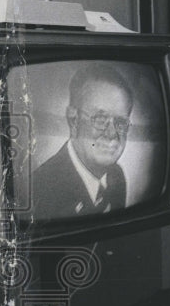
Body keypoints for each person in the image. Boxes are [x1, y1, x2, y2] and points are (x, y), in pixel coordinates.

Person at [31, 64, 133, 219]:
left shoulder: (116, 176)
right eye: (100, 118)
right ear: (73, 120)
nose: (112, 134)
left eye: (120, 122)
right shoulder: (38, 190)